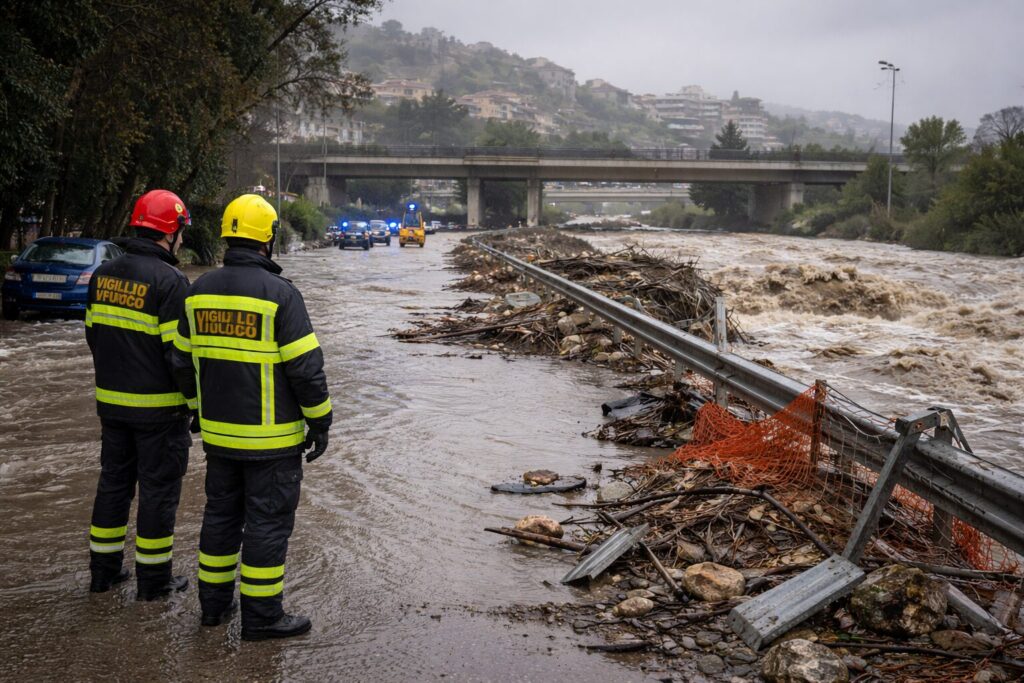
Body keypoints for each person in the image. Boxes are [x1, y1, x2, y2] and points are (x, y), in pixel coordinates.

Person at [172, 193, 331, 640]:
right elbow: (306, 370)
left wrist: (197, 410)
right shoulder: (281, 295)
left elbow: (181, 362)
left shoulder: (198, 291)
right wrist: (321, 422)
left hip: (219, 440)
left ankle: (213, 609)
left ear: (227, 235)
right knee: (267, 525)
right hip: (272, 444)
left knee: (220, 519)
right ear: (268, 239)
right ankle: (261, 618)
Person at [85, 189, 195, 600]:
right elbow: (179, 357)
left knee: (113, 486)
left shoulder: (102, 275)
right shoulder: (170, 282)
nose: (182, 239)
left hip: (112, 406)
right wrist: (195, 404)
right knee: (158, 494)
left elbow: (93, 336)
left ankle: (103, 574)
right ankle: (154, 581)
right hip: (160, 414)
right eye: (181, 231)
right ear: (169, 232)